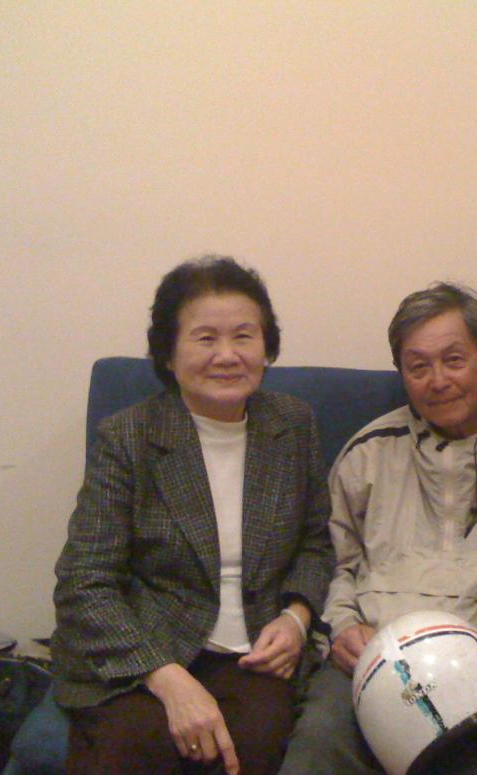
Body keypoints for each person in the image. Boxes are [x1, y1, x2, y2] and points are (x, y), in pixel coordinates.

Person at [51, 256, 333, 775]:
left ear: (266, 347)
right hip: (146, 643)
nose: (227, 355)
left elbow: (316, 543)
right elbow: (84, 581)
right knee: (138, 745)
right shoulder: (128, 437)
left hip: (254, 649)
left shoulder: (293, 425)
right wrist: (165, 677)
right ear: (168, 352)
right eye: (205, 339)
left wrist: (296, 618)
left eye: (244, 336)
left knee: (252, 748)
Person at [279, 282, 477, 775]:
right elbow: (331, 559)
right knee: (319, 744)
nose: (438, 381)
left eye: (454, 360)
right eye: (418, 367)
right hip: (374, 658)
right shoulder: (368, 451)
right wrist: (343, 627)